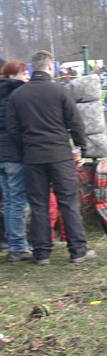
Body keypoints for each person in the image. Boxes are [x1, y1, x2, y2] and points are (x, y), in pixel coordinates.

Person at [6, 50, 95, 265]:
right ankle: (77, 251)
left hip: (33, 156)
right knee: (68, 202)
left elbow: (12, 128)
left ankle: (42, 253)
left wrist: (27, 145)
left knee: (39, 205)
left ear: (31, 68)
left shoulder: (17, 95)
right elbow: (75, 123)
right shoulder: (60, 91)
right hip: (59, 155)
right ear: (49, 67)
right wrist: (81, 148)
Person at [0, 60, 31, 261]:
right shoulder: (18, 94)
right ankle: (18, 246)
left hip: (1, 155)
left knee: (9, 200)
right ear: (13, 75)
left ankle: (13, 243)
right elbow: (18, 126)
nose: (26, 75)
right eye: (23, 72)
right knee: (17, 200)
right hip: (14, 154)